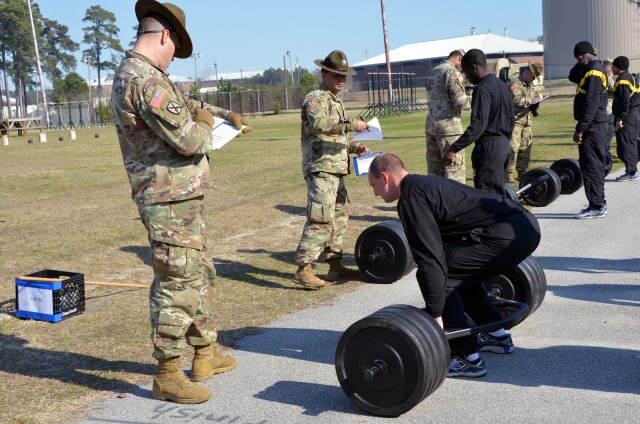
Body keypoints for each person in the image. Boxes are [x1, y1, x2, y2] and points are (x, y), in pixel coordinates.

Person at [111, 0, 253, 404]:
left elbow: (188, 107)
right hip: (166, 200)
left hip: (182, 198)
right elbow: (193, 138)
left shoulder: (153, 76)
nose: (175, 56)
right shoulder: (143, 81)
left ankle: (204, 354)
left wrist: (223, 113)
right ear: (164, 36)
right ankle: (167, 373)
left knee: (200, 274)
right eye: (176, 47)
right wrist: (210, 126)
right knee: (177, 283)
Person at [367, 153, 541, 377]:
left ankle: (466, 357)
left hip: (507, 233)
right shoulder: (424, 184)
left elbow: (430, 260)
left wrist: (436, 314)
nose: (375, 193)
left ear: (384, 177)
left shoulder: (412, 198)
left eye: (374, 185)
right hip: (525, 227)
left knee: (442, 276)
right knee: (461, 271)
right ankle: (496, 334)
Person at [292, 50, 370, 289]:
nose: (341, 80)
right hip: (321, 169)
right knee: (321, 218)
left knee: (339, 218)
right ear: (324, 73)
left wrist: (355, 147)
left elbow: (337, 138)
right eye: (336, 75)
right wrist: (351, 124)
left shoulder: (335, 100)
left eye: (344, 76)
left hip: (336, 169)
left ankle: (335, 265)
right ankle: (303, 268)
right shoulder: (316, 98)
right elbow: (318, 125)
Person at [443, 49, 515, 195]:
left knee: (487, 196)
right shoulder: (503, 86)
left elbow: (478, 125)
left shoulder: (482, 89)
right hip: (504, 146)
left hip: (489, 149)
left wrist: (453, 149)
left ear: (474, 67)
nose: (466, 76)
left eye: (465, 72)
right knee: (498, 194)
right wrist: (504, 142)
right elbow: (511, 118)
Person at [568, 41, 608, 219]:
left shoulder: (593, 72)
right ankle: (598, 202)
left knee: (591, 166)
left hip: (592, 127)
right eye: (577, 57)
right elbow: (572, 76)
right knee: (593, 166)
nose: (580, 59)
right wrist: (583, 60)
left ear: (591, 53)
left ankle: (597, 206)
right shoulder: (590, 68)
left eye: (582, 56)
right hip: (595, 126)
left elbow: (591, 104)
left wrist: (580, 129)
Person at [425, 49, 471, 184]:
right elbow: (461, 102)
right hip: (449, 128)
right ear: (460, 58)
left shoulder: (431, 72)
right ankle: (456, 204)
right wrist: (475, 99)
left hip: (431, 125)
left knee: (435, 172)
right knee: (454, 172)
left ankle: (436, 203)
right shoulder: (452, 72)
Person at [507, 62, 545, 183]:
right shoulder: (515, 83)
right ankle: (508, 173)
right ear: (527, 72)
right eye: (533, 76)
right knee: (513, 148)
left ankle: (522, 172)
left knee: (525, 148)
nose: (534, 79)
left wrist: (538, 99)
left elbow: (532, 98)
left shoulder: (529, 86)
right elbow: (516, 100)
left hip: (527, 121)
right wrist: (532, 100)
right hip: (516, 121)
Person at [611, 56, 640, 181]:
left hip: (627, 116)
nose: (612, 68)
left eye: (614, 66)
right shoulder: (631, 78)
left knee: (626, 144)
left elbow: (624, 101)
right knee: (631, 143)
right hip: (634, 114)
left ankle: (631, 172)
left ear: (619, 67)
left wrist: (620, 118)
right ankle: (632, 170)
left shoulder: (623, 80)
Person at [603, 58, 616, 154]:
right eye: (611, 67)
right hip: (607, 105)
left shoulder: (610, 75)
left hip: (611, 104)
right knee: (610, 127)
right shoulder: (605, 76)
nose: (612, 69)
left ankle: (605, 147)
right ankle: (604, 147)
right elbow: (613, 88)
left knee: (610, 127)